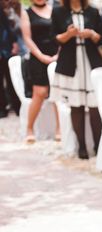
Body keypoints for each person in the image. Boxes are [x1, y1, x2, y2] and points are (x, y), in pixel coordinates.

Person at [50, 0, 102, 159]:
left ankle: (99, 145)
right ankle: (81, 147)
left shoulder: (92, 12)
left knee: (95, 106)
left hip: (91, 61)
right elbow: (54, 38)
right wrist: (69, 34)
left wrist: (91, 34)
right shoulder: (59, 12)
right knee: (76, 105)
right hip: (70, 62)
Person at [20, 0, 61, 143]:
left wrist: (58, 55)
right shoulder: (26, 13)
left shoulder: (56, 9)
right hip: (37, 57)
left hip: (57, 55)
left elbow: (61, 33)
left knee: (57, 92)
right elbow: (27, 38)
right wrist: (41, 57)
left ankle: (59, 128)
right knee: (40, 92)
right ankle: (29, 128)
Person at [0, 4, 19, 118]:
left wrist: (14, 42)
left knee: (11, 78)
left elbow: (6, 26)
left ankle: (17, 106)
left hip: (6, 49)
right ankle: (2, 108)